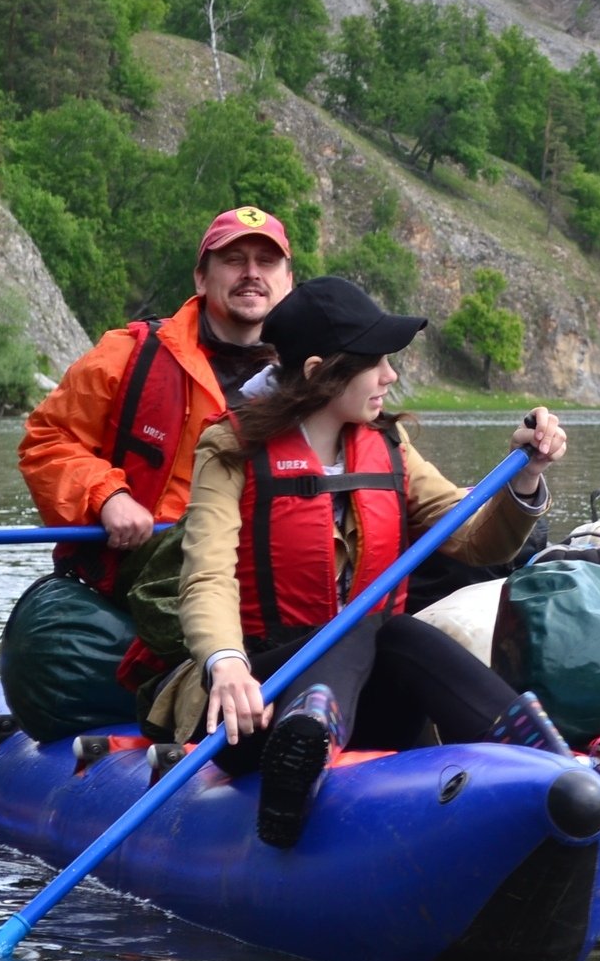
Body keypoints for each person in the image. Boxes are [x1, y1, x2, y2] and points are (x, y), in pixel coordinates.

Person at [155, 277, 575, 846]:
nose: (390, 375)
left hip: (365, 701)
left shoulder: (390, 446)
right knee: (358, 628)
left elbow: (479, 543)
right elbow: (206, 575)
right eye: (374, 362)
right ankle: (303, 742)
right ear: (317, 372)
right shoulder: (227, 451)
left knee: (394, 631)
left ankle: (552, 762)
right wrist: (225, 663)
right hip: (259, 700)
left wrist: (524, 475)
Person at [2, 206, 298, 740]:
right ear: (202, 277)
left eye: (265, 261)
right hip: (161, 563)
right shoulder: (129, 355)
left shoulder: (316, 372)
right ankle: (209, 678)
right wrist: (106, 495)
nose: (251, 273)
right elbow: (47, 441)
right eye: (234, 260)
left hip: (278, 563)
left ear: (288, 281)